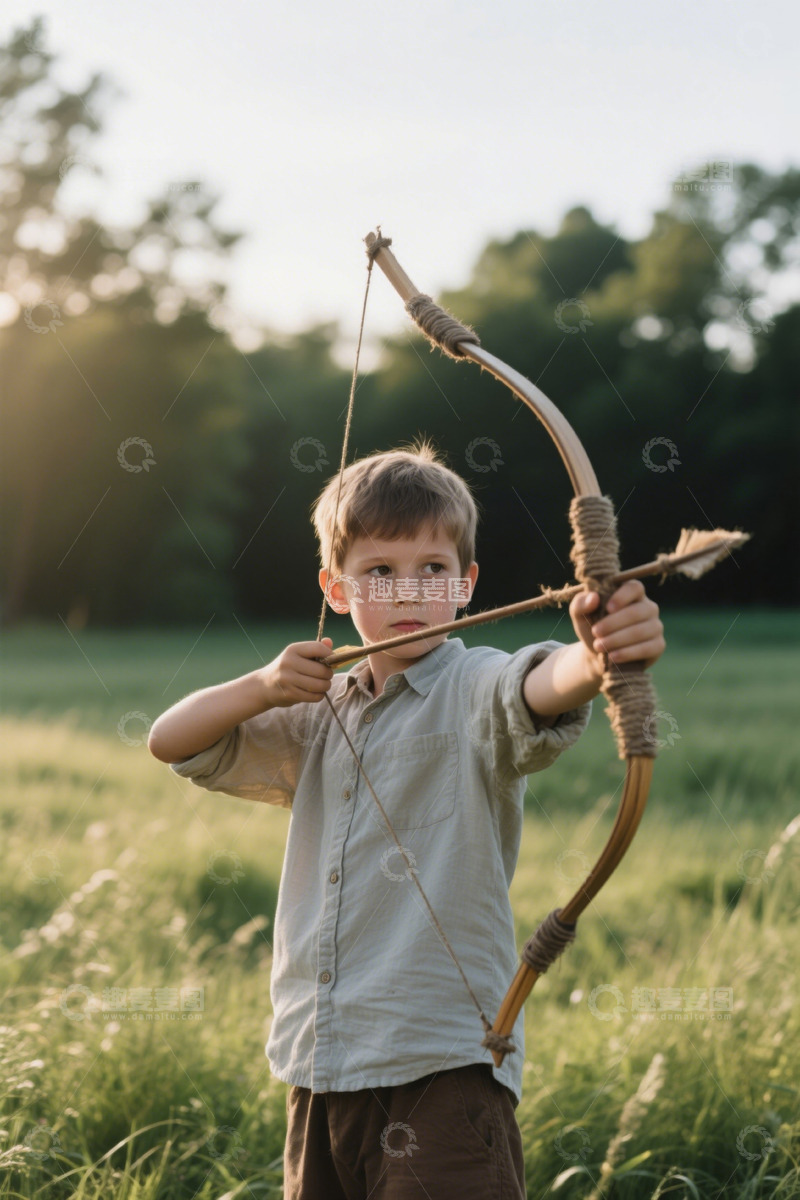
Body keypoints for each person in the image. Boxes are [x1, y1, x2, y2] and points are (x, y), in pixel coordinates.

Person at [148, 441, 666, 1199]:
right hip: (319, 1065)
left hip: (442, 1069)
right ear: (335, 589)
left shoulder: (472, 685)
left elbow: (537, 683)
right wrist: (261, 684)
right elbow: (171, 740)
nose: (409, 592)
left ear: (466, 586)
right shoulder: (316, 710)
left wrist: (597, 655)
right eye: (380, 572)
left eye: (433, 568)